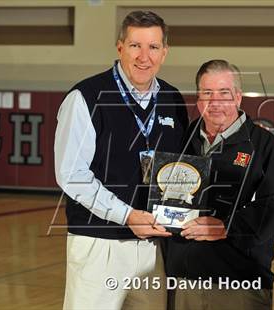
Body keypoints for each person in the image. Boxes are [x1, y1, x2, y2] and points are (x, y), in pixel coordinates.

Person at [54, 11, 188, 310]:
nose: (144, 56)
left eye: (153, 47)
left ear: (164, 52)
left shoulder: (173, 98)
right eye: (134, 46)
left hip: (154, 247)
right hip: (99, 245)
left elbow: (183, 168)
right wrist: (126, 215)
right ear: (119, 47)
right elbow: (71, 174)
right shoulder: (85, 97)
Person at [166, 60, 274, 310]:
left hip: (239, 284)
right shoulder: (181, 141)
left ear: (237, 97)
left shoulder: (265, 147)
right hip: (183, 281)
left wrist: (227, 227)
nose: (215, 103)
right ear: (198, 99)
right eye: (207, 93)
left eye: (223, 93)